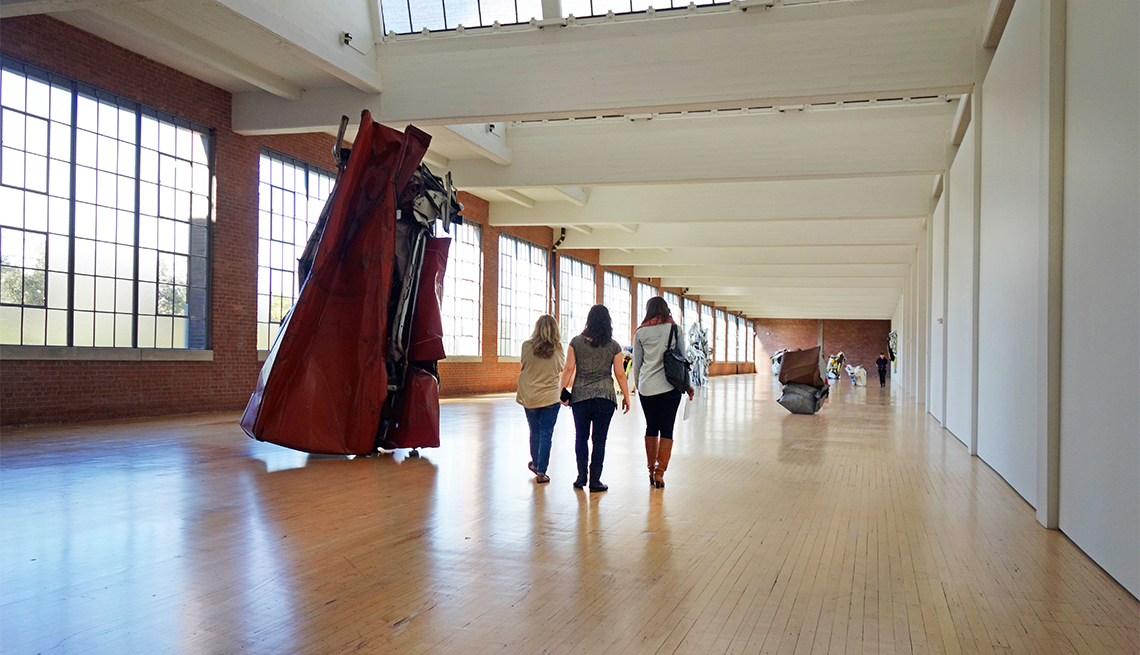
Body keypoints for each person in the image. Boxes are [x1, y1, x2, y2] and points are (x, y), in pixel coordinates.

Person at [560, 305, 631, 492]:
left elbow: (568, 369)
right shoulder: (614, 346)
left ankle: (581, 476)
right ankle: (595, 480)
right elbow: (620, 374)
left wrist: (561, 391)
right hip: (605, 398)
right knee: (599, 440)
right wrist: (626, 396)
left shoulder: (576, 342)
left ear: (588, 320)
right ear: (608, 322)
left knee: (581, 437)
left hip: (580, 397)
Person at [632, 297, 695, 489]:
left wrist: (638, 385)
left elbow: (637, 363)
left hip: (647, 388)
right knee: (667, 428)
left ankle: (651, 470)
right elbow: (683, 359)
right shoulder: (675, 329)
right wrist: (688, 385)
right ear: (666, 310)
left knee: (651, 426)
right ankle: (660, 474)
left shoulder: (640, 332)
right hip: (671, 387)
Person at [517, 315, 565, 483]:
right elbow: (561, 368)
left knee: (534, 430)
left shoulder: (526, 346)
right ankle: (541, 471)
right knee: (546, 433)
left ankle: (536, 463)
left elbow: (524, 364)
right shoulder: (558, 348)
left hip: (530, 395)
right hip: (550, 397)